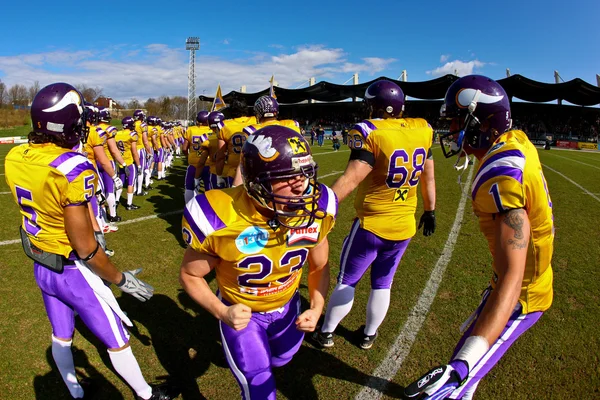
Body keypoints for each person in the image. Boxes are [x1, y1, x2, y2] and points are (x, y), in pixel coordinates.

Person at [4, 83, 177, 400]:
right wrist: (119, 278)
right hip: (73, 271)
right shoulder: (72, 167)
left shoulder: (15, 156)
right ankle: (146, 395)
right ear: (67, 123)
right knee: (116, 337)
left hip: (41, 265)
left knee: (61, 334)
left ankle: (75, 391)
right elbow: (85, 247)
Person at [404, 75, 554, 400]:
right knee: (466, 381)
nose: (453, 130)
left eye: (459, 121)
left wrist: (461, 366)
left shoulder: (501, 173)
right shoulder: (515, 142)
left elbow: (514, 276)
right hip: (517, 284)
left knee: (455, 381)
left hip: (521, 296)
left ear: (483, 122)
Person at [180, 125, 338, 399]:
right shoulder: (219, 216)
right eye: (287, 177)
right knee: (260, 387)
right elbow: (190, 275)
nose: (301, 185)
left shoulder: (318, 208)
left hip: (288, 307)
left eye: (304, 173)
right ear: (256, 182)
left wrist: (317, 305)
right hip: (243, 314)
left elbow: (319, 265)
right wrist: (221, 311)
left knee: (283, 358)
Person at [312, 80, 436, 350]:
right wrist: (430, 209)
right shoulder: (422, 129)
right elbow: (428, 173)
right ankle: (368, 335)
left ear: (372, 106)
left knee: (348, 280)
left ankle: (326, 332)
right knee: (383, 283)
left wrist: (323, 209)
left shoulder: (370, 132)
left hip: (372, 224)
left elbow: (350, 179)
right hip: (404, 225)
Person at [215, 98, 256, 188]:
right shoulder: (256, 121)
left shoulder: (224, 126)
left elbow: (220, 156)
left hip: (234, 172)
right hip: (255, 171)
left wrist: (218, 175)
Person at [183, 111, 211, 203]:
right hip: (208, 164)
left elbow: (184, 148)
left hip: (194, 163)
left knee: (190, 187)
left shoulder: (191, 130)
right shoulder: (211, 131)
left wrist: (188, 156)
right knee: (209, 188)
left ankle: (189, 209)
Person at [115, 116, 142, 210]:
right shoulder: (132, 134)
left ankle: (116, 200)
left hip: (120, 162)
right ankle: (129, 204)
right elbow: (134, 152)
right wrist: (138, 165)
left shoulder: (117, 133)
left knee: (121, 182)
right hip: (129, 162)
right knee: (131, 182)